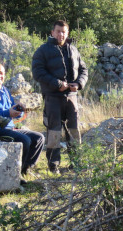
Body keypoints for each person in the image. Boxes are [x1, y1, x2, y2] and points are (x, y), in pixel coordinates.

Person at [0, 61, 44, 183]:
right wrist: (7, 112)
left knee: (38, 138)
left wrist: (19, 111)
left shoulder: (4, 90)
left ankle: (24, 169)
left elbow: (12, 111)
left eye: (1, 73)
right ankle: (14, 174)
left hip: (9, 129)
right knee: (24, 140)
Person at [32, 20, 88, 173]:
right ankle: (53, 165)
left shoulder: (74, 50)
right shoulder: (42, 50)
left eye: (63, 32)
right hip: (52, 96)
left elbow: (84, 70)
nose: (61, 34)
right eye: (58, 31)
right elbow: (38, 72)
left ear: (67, 33)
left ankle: (77, 163)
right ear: (52, 32)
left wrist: (78, 84)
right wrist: (57, 84)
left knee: (74, 130)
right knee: (54, 131)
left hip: (71, 97)